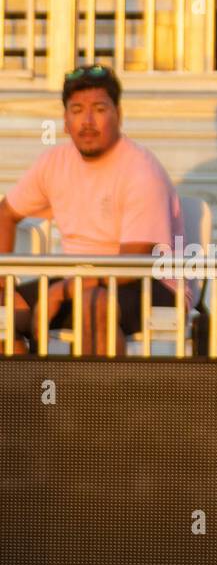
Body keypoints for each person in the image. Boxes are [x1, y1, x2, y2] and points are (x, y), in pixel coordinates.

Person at [0, 65, 191, 355]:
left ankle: (98, 399)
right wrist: (3, 285)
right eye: (77, 110)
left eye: (99, 109)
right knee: (3, 309)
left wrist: (62, 291)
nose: (87, 121)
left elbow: (130, 265)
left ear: (119, 115)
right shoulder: (54, 162)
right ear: (65, 121)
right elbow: (6, 214)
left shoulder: (141, 170)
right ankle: (26, 396)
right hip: (80, 279)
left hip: (151, 283)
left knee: (95, 302)